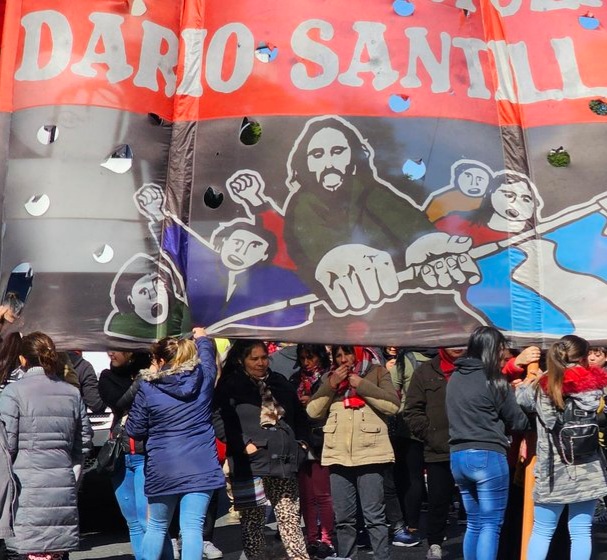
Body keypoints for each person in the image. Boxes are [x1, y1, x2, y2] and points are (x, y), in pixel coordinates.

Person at [126, 328, 225, 560]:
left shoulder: (148, 388)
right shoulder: (203, 378)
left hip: (163, 466)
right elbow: (209, 359)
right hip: (201, 465)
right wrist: (202, 338)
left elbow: (134, 430)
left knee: (157, 526)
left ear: (160, 361)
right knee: (192, 527)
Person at [213, 340, 311, 560]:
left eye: (264, 357)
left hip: (283, 460)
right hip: (250, 463)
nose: (260, 363)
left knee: (289, 519)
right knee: (253, 523)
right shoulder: (231, 385)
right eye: (254, 358)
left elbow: (300, 416)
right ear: (242, 360)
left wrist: (302, 444)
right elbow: (218, 418)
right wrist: (243, 444)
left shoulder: (279, 382)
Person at [0, 332, 93, 559]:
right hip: (62, 486)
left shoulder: (13, 393)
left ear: (22, 360)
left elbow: (6, 447)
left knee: (25, 550)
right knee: (57, 551)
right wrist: (71, 475)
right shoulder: (72, 394)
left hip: (24, 491)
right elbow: (83, 445)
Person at [516, 335, 607, 560]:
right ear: (585, 357)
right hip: (589, 469)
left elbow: (521, 400)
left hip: (552, 472)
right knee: (581, 531)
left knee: (542, 531)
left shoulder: (543, 384)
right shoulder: (597, 384)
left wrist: (529, 381)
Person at [307, 345, 400, 560]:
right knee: (344, 519)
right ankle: (347, 557)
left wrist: (362, 386)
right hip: (338, 455)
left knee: (374, 517)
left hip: (371, 453)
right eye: (338, 355)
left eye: (347, 353)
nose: (343, 359)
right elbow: (313, 411)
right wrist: (330, 385)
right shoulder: (329, 378)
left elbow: (393, 406)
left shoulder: (377, 372)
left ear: (357, 352)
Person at [446, 327, 530, 560]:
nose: (504, 353)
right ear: (493, 349)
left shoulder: (455, 377)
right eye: (502, 348)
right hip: (487, 455)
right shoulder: (494, 379)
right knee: (491, 524)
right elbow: (518, 420)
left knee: (474, 523)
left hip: (458, 455)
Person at [99, 350, 173, 560]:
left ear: (131, 352)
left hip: (145, 455)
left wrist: (148, 376)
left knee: (149, 521)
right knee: (133, 521)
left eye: (117, 348)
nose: (110, 352)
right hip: (120, 456)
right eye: (109, 348)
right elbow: (119, 402)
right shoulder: (108, 376)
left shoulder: (155, 375)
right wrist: (144, 379)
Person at [404, 346, 466, 560]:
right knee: (438, 501)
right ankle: (435, 544)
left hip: (471, 446)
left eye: (460, 341)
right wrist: (430, 435)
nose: (457, 347)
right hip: (438, 449)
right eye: (451, 342)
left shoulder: (474, 368)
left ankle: (477, 546)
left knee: (476, 504)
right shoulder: (425, 371)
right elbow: (412, 410)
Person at [289, 344, 335, 558]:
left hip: (322, 439)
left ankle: (327, 538)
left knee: (322, 493)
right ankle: (311, 538)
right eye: (303, 358)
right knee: (306, 495)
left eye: (311, 357)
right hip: (301, 440)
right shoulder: (295, 379)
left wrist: (313, 401)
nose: (307, 362)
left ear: (320, 356)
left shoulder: (328, 377)